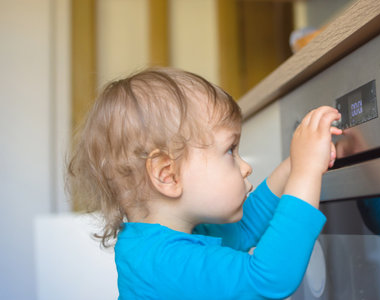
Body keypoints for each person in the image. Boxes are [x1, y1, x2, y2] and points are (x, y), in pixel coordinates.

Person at [67, 67, 342, 299]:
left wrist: (295, 164)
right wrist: (306, 172)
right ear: (167, 174)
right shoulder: (165, 262)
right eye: (230, 151)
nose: (246, 167)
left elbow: (244, 230)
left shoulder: (175, 234)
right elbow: (268, 278)